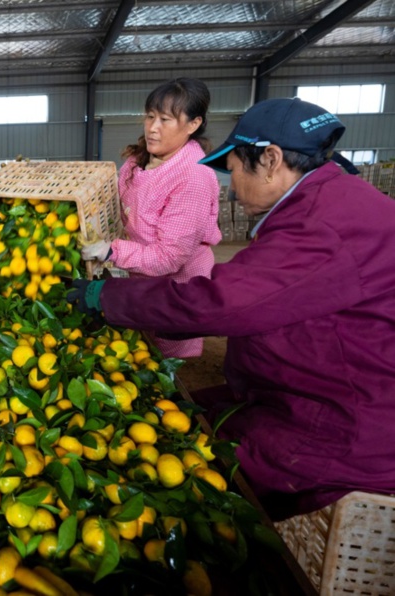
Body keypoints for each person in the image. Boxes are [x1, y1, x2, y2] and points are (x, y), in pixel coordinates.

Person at [68, 97, 395, 521]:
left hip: (341, 424)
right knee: (181, 414)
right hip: (299, 390)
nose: (232, 186)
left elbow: (222, 303)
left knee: (199, 489)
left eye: (236, 168)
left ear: (271, 159)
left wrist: (102, 299)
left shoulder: (325, 226)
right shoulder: (330, 202)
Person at [83, 78, 221, 358]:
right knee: (143, 345)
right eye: (150, 117)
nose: (153, 128)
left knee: (166, 358)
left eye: (166, 120)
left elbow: (169, 257)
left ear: (193, 124)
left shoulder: (193, 177)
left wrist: (111, 250)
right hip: (143, 276)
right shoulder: (138, 161)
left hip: (178, 286)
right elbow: (114, 205)